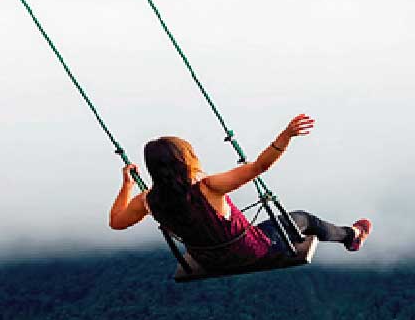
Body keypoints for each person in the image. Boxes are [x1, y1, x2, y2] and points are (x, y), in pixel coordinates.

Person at [107, 112, 371, 272]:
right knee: (303, 219)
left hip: (207, 261)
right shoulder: (208, 187)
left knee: (289, 222)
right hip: (250, 252)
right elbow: (259, 166)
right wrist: (286, 135)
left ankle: (352, 235)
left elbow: (116, 222)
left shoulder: (148, 201)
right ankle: (352, 236)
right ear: (185, 160)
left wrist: (127, 185)